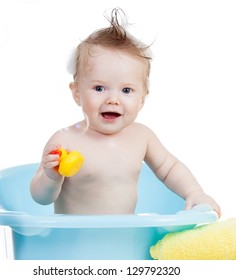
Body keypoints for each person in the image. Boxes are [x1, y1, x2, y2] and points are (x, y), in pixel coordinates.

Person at [30, 8, 221, 217]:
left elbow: (169, 169)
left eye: (126, 90)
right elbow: (41, 198)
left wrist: (194, 192)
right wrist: (51, 177)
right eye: (99, 88)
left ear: (142, 99)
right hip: (74, 241)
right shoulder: (64, 141)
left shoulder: (142, 137)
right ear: (76, 93)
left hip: (124, 237)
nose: (113, 99)